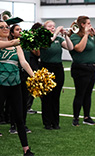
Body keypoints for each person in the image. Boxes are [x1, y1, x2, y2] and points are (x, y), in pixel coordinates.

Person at [0, 20, 34, 155]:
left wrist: (35, 76)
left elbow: (24, 63)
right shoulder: (9, 43)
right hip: (0, 86)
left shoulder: (17, 46)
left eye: (6, 27)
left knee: (19, 118)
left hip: (15, 85)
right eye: (1, 27)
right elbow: (11, 42)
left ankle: (26, 149)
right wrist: (26, 38)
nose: (5, 28)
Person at [68, 16, 95, 126]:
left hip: (91, 68)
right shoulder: (75, 36)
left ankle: (87, 116)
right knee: (80, 94)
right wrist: (86, 35)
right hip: (80, 68)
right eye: (88, 23)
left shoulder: (91, 36)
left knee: (88, 94)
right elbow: (79, 49)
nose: (90, 24)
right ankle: (76, 118)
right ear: (82, 25)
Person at [40, 20, 73, 130]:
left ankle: (55, 122)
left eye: (54, 26)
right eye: (50, 26)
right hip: (46, 68)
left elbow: (70, 48)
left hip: (58, 68)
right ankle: (47, 122)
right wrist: (55, 33)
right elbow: (46, 44)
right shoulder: (43, 39)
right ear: (45, 29)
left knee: (56, 96)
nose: (53, 28)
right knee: (47, 97)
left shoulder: (58, 39)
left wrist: (66, 36)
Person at [26, 22, 42, 114]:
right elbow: (37, 53)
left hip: (35, 62)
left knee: (34, 86)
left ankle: (28, 106)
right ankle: (27, 106)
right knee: (32, 85)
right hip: (31, 63)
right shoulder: (30, 39)